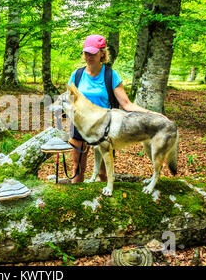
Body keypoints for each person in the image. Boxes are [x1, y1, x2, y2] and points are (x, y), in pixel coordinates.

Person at [63, 34, 156, 184]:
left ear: (102, 53)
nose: (89, 56)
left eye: (93, 53)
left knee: (104, 173)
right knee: (77, 169)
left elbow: (126, 104)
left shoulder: (110, 75)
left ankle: (103, 203)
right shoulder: (77, 75)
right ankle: (78, 202)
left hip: (105, 127)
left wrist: (152, 115)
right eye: (86, 53)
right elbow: (69, 100)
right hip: (80, 125)